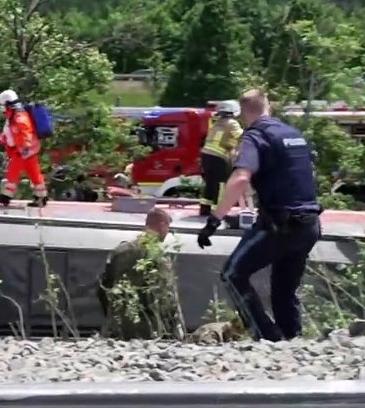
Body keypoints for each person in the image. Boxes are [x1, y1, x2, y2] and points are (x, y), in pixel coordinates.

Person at [197, 89, 322, 341]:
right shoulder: (294, 134)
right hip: (310, 225)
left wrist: (214, 219)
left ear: (244, 113)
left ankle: (266, 337)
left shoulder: (255, 136)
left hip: (279, 225)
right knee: (284, 290)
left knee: (232, 274)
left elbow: (241, 178)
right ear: (268, 106)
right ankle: (292, 341)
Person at [97, 208, 179, 339]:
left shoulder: (121, 250)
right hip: (146, 328)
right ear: (162, 225)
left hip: (116, 326)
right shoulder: (157, 255)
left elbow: (103, 287)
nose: (167, 232)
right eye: (168, 227)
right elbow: (165, 296)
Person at [0, 89, 48, 207]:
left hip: (24, 150)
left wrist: (26, 146)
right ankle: (41, 197)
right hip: (27, 150)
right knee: (34, 173)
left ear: (8, 104)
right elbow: (8, 132)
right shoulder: (12, 117)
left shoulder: (19, 116)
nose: (1, 108)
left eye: (2, 105)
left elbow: (26, 132)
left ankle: (6, 196)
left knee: (13, 170)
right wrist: (0, 141)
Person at [199, 100, 242, 217]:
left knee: (210, 183)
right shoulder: (232, 123)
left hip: (206, 156)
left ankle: (205, 209)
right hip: (219, 157)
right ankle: (218, 211)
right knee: (221, 184)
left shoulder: (216, 123)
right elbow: (241, 136)